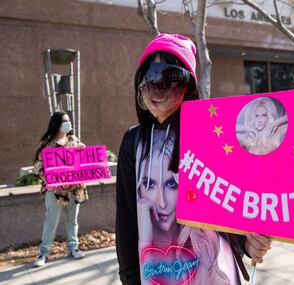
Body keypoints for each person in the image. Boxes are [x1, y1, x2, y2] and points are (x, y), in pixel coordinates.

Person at [116, 33, 272, 285]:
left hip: (212, 273)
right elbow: (126, 221)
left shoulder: (209, 135)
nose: (156, 88)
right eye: (148, 78)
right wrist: (130, 279)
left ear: (188, 86)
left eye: (168, 78)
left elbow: (230, 206)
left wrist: (248, 243)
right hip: (155, 274)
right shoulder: (133, 142)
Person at [32, 111, 88, 267]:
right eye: (65, 121)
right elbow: (38, 167)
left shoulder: (73, 140)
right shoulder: (47, 143)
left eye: (69, 120)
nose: (68, 123)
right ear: (56, 124)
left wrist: (83, 152)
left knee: (73, 221)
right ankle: (44, 253)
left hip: (74, 188)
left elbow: (83, 161)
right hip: (55, 191)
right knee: (51, 222)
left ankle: (73, 247)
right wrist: (50, 178)